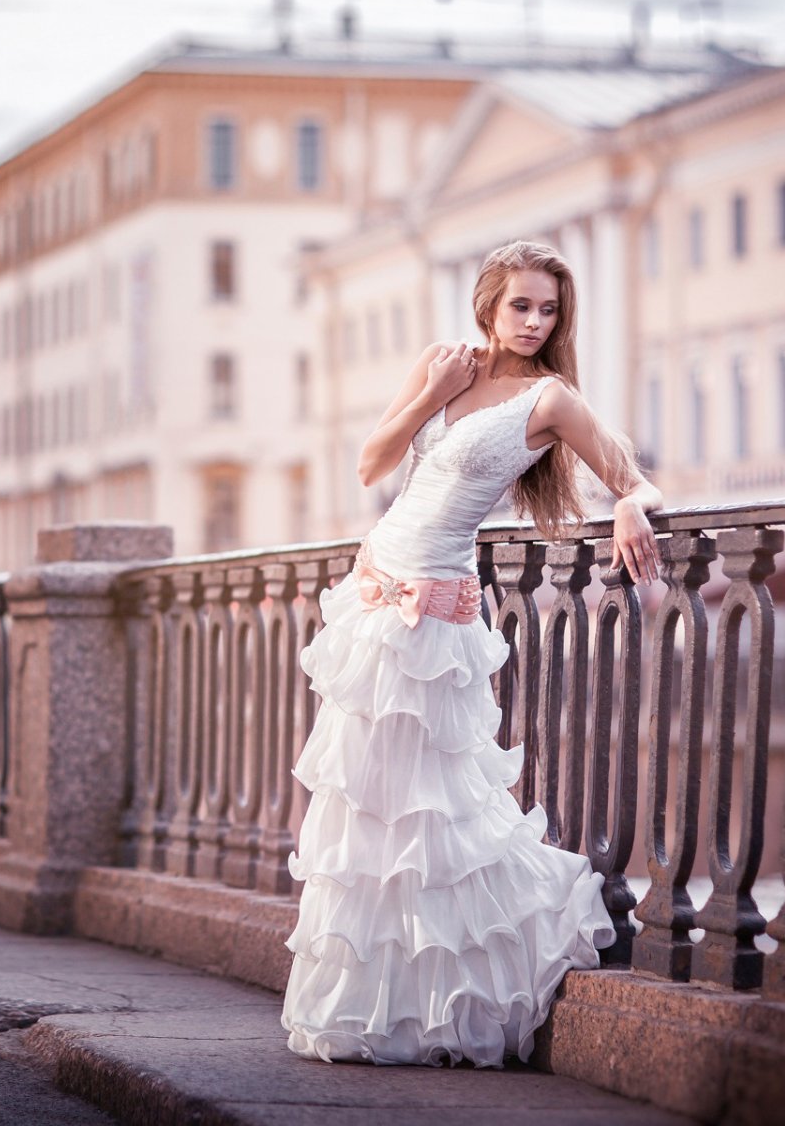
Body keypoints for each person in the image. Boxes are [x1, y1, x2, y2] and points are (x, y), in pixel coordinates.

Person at [280, 239, 664, 1068]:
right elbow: (371, 463)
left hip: (437, 613)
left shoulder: (551, 398)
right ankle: (375, 1007)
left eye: (549, 309)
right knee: (371, 809)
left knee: (433, 806)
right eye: (521, 305)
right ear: (488, 303)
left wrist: (633, 505)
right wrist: (431, 393)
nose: (534, 322)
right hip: (373, 597)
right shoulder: (445, 364)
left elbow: (632, 477)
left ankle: (455, 996)